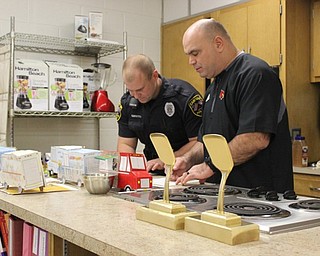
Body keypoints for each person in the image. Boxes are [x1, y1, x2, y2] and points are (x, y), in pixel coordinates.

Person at [173, 18, 294, 193]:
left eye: (195, 53)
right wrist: (188, 159)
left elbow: (255, 139)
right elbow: (205, 141)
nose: (191, 61)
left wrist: (211, 165)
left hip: (260, 199)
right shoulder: (213, 87)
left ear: (218, 43)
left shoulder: (255, 74)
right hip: (224, 196)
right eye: (189, 55)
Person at [116, 54, 203, 175]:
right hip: (153, 170)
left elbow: (198, 142)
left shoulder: (184, 97)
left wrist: (166, 160)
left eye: (140, 89)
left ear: (154, 76)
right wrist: (132, 170)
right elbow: (125, 143)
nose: (136, 96)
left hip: (187, 171)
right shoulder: (128, 103)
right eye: (131, 90)